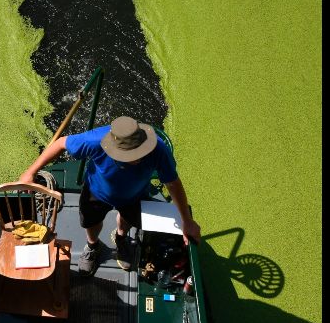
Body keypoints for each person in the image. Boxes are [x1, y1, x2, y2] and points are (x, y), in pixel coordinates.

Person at [19, 116, 201, 277]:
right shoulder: (95, 140)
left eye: (140, 153)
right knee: (91, 222)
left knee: (127, 218)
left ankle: (121, 238)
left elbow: (172, 183)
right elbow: (60, 143)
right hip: (96, 192)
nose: (137, 159)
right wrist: (30, 172)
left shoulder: (159, 149)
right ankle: (92, 246)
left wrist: (186, 220)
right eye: (129, 156)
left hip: (134, 195)